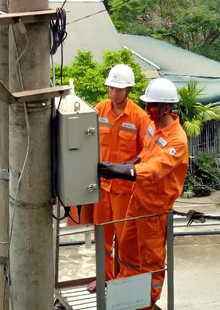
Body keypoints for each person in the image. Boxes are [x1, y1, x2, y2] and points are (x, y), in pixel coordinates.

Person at [97, 77, 188, 310]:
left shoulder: (176, 141)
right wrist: (130, 162)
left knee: (151, 262)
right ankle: (124, 294)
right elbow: (144, 156)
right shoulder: (154, 128)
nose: (147, 110)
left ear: (166, 108)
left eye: (152, 106)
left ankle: (146, 303)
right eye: (147, 105)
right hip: (137, 201)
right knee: (127, 252)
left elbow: (154, 168)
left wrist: (121, 170)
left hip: (155, 210)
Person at [88, 64, 149, 287]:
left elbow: (147, 152)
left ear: (128, 90)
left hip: (125, 191)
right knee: (102, 239)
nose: (114, 93)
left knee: (125, 241)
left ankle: (124, 283)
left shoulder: (139, 117)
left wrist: (127, 166)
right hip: (102, 188)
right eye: (111, 88)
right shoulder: (99, 110)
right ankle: (103, 279)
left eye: (119, 89)